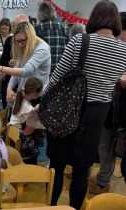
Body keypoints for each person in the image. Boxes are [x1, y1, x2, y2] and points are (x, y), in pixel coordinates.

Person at [44, 1, 126, 209]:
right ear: (115, 21)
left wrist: (42, 100)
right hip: (98, 113)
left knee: (57, 166)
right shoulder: (123, 50)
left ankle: (52, 207)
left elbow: (56, 78)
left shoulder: (80, 41)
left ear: (94, 18)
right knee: (82, 168)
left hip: (68, 108)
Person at [89, 11, 126, 195]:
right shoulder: (111, 47)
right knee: (92, 140)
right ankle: (87, 170)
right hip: (101, 103)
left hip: (115, 109)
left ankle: (103, 182)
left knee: (106, 146)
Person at [0, 21, 51, 104]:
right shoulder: (23, 48)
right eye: (17, 41)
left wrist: (1, 68)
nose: (19, 44)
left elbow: (26, 71)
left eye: (22, 41)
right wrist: (9, 88)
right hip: (24, 94)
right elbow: (17, 68)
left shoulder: (42, 49)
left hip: (37, 96)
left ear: (30, 37)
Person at [8, 77, 43, 165]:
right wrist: (37, 113)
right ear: (34, 94)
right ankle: (28, 172)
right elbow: (34, 126)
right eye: (39, 92)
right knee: (35, 151)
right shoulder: (28, 108)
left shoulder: (19, 97)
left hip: (11, 132)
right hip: (19, 137)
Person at [0, 14, 29, 109]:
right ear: (13, 27)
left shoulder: (37, 44)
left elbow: (27, 69)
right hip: (11, 78)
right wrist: (8, 63)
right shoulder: (9, 41)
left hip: (26, 83)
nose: (20, 44)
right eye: (18, 26)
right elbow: (2, 60)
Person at [34, 1, 70, 75]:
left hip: (42, 72)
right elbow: (69, 50)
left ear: (39, 13)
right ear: (53, 12)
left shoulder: (36, 28)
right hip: (60, 72)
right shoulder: (64, 28)